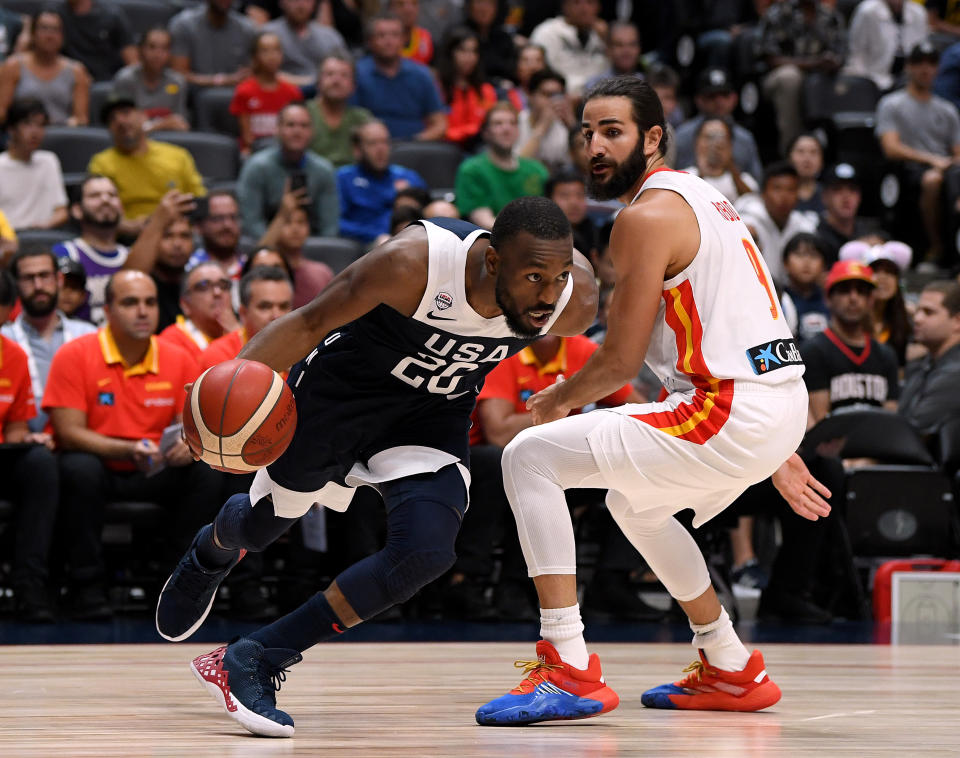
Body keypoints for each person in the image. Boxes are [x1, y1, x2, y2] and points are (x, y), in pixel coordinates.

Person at [154, 197, 599, 737]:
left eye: (558, 277)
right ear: (491, 262)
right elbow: (309, 321)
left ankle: (255, 657)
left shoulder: (569, 302)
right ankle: (211, 550)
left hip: (430, 415)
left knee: (426, 551)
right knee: (262, 525)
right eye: (534, 277)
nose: (547, 296)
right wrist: (227, 390)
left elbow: (615, 341)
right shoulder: (414, 262)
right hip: (337, 401)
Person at [474, 76, 829, 725]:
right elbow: (747, 318)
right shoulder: (708, 199)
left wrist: (553, 400)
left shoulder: (643, 216)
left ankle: (568, 666)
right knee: (634, 506)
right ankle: (729, 664)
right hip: (771, 401)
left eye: (612, 131)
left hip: (730, 408)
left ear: (653, 137)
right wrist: (782, 441)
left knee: (527, 457)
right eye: (587, 133)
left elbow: (618, 360)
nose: (595, 147)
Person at [44, 270, 222, 619]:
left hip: (158, 468)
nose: (142, 311)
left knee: (206, 471)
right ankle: (87, 587)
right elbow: (67, 431)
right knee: (77, 467)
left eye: (150, 302)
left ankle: (175, 585)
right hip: (101, 466)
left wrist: (188, 445)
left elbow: (191, 427)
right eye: (130, 303)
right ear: (107, 310)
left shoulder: (179, 359)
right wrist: (125, 449)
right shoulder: (75, 354)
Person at [876, 42, 960, 266]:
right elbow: (891, 148)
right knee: (933, 180)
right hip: (909, 168)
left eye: (931, 63)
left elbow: (957, 153)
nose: (925, 69)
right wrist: (932, 160)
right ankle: (936, 247)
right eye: (919, 63)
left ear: (938, 69)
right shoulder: (891, 104)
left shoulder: (948, 110)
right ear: (908, 67)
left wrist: (947, 163)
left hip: (947, 168)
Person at [0, 325, 59, 622]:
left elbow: (14, 429)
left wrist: (26, 439)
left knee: (40, 462)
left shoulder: (13, 356)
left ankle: (29, 585)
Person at [2, 249, 96, 434]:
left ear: (59, 280)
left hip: (79, 437)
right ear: (16, 285)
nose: (38, 286)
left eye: (45, 276)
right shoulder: (3, 339)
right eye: (28, 278)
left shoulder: (88, 335)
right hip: (22, 440)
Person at [88, 95, 206, 235]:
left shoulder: (177, 155)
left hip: (176, 231)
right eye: (112, 119)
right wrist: (128, 227)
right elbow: (97, 212)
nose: (120, 121)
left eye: (126, 113)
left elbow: (198, 200)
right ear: (109, 130)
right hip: (129, 237)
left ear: (143, 117)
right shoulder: (101, 163)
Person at [802, 260, 900, 423]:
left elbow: (890, 419)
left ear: (871, 300)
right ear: (828, 298)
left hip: (878, 445)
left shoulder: (886, 355)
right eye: (844, 291)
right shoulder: (813, 351)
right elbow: (819, 425)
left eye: (861, 291)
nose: (853, 298)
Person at [237, 103, 339, 240]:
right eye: (290, 125)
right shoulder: (257, 167)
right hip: (265, 249)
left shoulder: (324, 170)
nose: (297, 132)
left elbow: (329, 227)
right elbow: (251, 222)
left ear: (312, 131)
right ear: (277, 129)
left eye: (304, 126)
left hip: (312, 249)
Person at [758, 0, 845, 155]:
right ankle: (791, 152)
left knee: (851, 80)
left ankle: (836, 151)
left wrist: (832, 62)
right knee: (790, 77)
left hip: (819, 78)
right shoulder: (778, 14)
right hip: (778, 77)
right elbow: (770, 58)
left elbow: (841, 53)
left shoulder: (830, 16)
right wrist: (812, 64)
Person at [351, 13, 447, 141]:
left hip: (414, 147)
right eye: (381, 35)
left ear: (403, 39)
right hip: (370, 147)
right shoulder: (357, 74)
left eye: (395, 35)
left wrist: (415, 141)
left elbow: (440, 124)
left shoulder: (421, 74)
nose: (389, 41)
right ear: (370, 41)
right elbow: (350, 122)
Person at [454, 103, 550, 229]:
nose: (506, 129)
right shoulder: (472, 170)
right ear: (486, 132)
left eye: (513, 123)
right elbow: (483, 220)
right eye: (498, 124)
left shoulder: (537, 170)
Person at [53, 175, 129, 324]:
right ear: (77, 210)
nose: (105, 200)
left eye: (112, 195)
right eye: (95, 195)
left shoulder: (132, 257)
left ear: (121, 208)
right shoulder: (64, 253)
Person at [336, 120, 428, 244]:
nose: (381, 149)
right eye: (372, 143)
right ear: (357, 150)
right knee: (385, 242)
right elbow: (336, 223)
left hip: (409, 240)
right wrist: (374, 235)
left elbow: (428, 214)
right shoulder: (344, 178)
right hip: (365, 244)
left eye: (385, 142)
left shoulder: (407, 176)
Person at [0, 9, 90, 126]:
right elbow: (2, 111)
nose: (49, 35)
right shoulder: (13, 66)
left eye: (55, 30)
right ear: (33, 33)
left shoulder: (77, 71)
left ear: (63, 36)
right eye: (44, 28)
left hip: (61, 135)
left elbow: (81, 118)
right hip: (22, 134)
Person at [673, 67, 763, 182]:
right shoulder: (682, 135)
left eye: (724, 95)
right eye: (711, 96)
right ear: (699, 100)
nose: (719, 101)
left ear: (734, 98)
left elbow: (756, 184)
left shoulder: (745, 138)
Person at [735, 161, 817, 285]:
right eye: (777, 189)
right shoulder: (749, 216)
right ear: (763, 193)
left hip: (790, 295)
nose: (784, 196)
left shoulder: (804, 226)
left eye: (790, 189)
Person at [198, 266, 294, 370]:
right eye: (265, 307)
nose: (276, 315)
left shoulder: (304, 352)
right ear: (243, 313)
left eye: (284, 307)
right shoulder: (219, 356)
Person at [899, 280, 960, 436]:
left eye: (928, 312)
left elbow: (914, 430)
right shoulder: (924, 364)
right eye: (918, 311)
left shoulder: (955, 373)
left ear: (957, 321)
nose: (917, 319)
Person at [839, 238, 914, 365]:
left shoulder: (907, 319)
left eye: (889, 272)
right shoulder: (848, 318)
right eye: (875, 271)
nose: (883, 278)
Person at [0, 98, 68, 231]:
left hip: (44, 235)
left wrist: (45, 226)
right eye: (27, 124)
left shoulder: (49, 161)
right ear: (11, 129)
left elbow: (61, 212)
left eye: (41, 125)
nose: (35, 132)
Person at [231, 31, 304, 154]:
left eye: (276, 50)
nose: (272, 56)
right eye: (265, 51)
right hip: (254, 152)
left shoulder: (293, 93)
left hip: (286, 152)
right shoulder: (244, 91)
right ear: (255, 57)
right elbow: (247, 137)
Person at [112, 27, 190, 132]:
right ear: (140, 50)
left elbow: (180, 124)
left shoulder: (177, 82)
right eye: (152, 47)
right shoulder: (125, 79)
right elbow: (122, 124)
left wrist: (148, 126)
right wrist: (162, 124)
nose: (158, 54)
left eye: (164, 48)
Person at [259, 203, 335, 307]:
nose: (295, 228)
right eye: (287, 222)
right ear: (274, 227)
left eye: (301, 222)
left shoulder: (323, 273)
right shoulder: (263, 269)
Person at [169, 0, 258, 89]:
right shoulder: (184, 25)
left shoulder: (247, 29)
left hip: (236, 93)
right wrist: (224, 80)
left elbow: (252, 72)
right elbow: (179, 74)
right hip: (193, 93)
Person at [435, 25, 497, 149]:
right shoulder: (436, 88)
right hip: (443, 149)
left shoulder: (486, 90)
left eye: (474, 51)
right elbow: (437, 129)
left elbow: (491, 128)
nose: (469, 57)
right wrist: (472, 130)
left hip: (479, 149)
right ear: (450, 53)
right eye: (462, 50)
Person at [306, 52, 372, 169]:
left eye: (344, 75)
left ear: (353, 86)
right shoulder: (303, 114)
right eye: (330, 74)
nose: (336, 81)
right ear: (318, 82)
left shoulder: (362, 119)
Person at [529, 0, 608, 97]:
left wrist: (607, 39)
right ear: (565, 6)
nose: (584, 9)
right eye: (576, 2)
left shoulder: (605, 35)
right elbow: (541, 75)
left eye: (590, 2)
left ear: (598, 7)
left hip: (599, 96)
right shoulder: (547, 32)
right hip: (558, 96)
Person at [844, 0, 928, 91]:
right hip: (873, 78)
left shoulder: (918, 13)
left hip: (907, 82)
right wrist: (862, 85)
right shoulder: (867, 11)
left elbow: (920, 51)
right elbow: (856, 53)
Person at [158, 263, 236, 359]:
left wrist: (237, 337)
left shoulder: (245, 331)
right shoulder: (171, 341)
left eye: (223, 286)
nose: (217, 292)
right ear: (185, 305)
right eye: (204, 287)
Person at [264, 0, 347, 88]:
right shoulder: (268, 34)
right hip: (280, 92)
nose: (301, 4)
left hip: (322, 94)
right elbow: (261, 73)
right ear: (282, 2)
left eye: (307, 0)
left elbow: (344, 70)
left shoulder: (330, 36)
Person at [683, 117, 758, 202]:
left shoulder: (745, 180)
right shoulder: (683, 176)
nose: (715, 144)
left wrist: (730, 165)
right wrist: (702, 171)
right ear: (697, 142)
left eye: (721, 137)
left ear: (730, 144)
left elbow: (752, 202)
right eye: (709, 137)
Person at [59, 0, 137, 82]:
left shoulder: (112, 15)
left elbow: (132, 61)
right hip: (69, 80)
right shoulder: (56, 16)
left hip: (108, 80)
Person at [517, 69, 577, 175]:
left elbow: (585, 163)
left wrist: (572, 125)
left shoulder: (565, 126)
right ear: (530, 96)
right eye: (547, 95)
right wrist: (543, 126)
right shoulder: (517, 122)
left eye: (558, 95)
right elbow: (516, 165)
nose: (553, 101)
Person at [815, 163, 874, 265]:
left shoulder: (870, 230)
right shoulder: (815, 233)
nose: (846, 197)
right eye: (837, 189)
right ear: (824, 197)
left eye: (852, 189)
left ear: (860, 197)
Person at [779, 232, 830, 345]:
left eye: (814, 255)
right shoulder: (779, 300)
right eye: (799, 254)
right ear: (785, 263)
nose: (806, 262)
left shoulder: (831, 300)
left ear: (824, 265)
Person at [187, 191, 247, 282]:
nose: (227, 225)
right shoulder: (189, 267)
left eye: (233, 217)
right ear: (199, 227)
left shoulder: (250, 264)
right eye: (217, 218)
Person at [789, 132, 825, 219]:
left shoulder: (829, 196)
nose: (807, 158)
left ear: (822, 161)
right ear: (789, 158)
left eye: (813, 152)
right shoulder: (780, 195)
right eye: (800, 151)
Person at [389, 0, 433, 65]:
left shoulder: (426, 39)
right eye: (400, 4)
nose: (408, 9)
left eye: (414, 3)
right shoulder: (380, 40)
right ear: (391, 8)